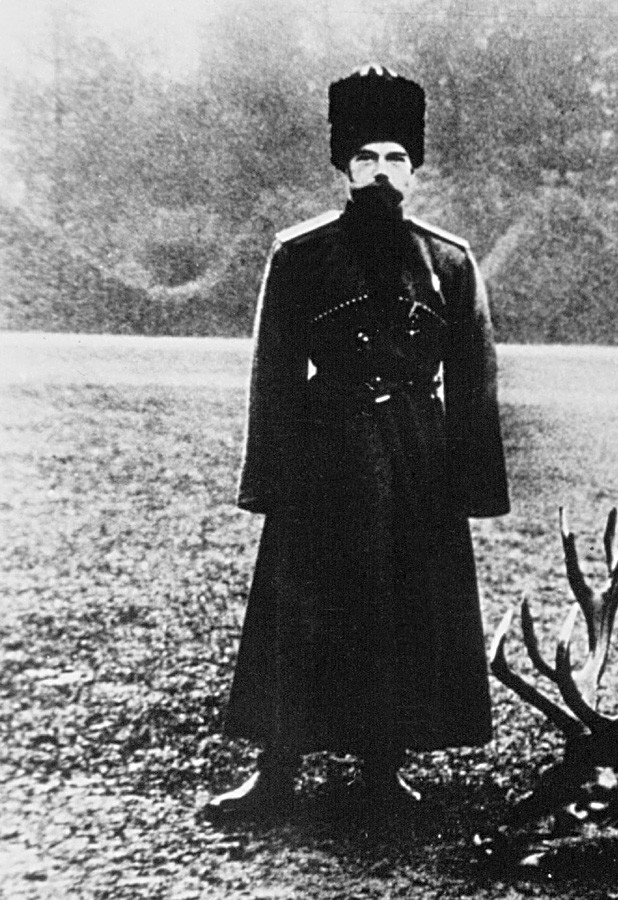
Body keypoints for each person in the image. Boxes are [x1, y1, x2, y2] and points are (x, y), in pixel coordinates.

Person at [205, 65, 509, 818]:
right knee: (301, 607)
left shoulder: (449, 262)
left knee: (406, 605)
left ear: (415, 169)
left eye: (396, 158)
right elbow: (272, 368)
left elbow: (474, 378)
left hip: (415, 454)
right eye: (367, 157)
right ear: (344, 165)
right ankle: (275, 772)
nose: (381, 172)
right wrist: (269, 475)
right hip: (323, 451)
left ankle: (384, 769)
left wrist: (472, 483)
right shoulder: (299, 254)